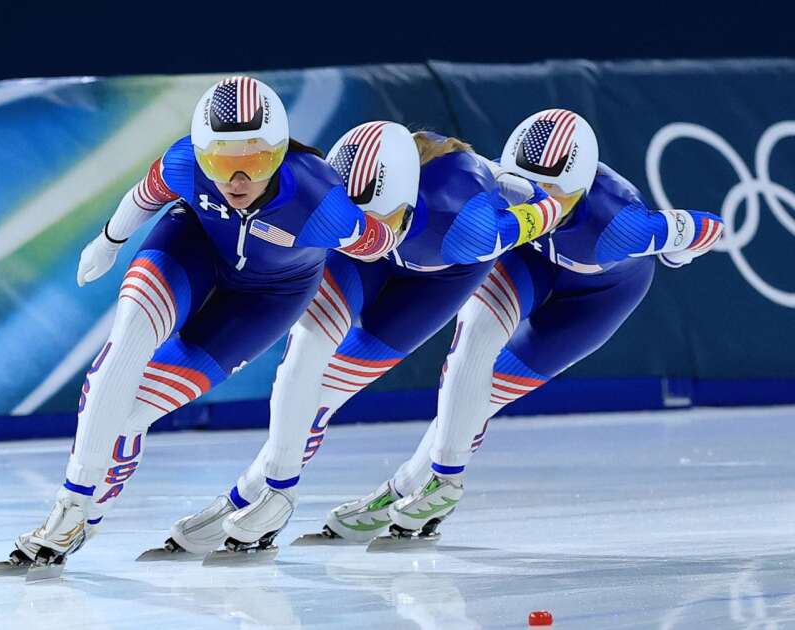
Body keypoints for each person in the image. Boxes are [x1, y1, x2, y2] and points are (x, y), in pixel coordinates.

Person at [0, 77, 413, 576]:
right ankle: (70, 508)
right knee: (120, 351)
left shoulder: (320, 202)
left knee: (130, 416)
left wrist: (406, 209)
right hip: (191, 251)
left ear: (276, 155)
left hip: (267, 299)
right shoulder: (183, 161)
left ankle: (91, 518)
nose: (234, 180)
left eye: (251, 162)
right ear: (201, 155)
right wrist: (108, 240)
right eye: (219, 162)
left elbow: (378, 242)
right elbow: (144, 196)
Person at [149, 121, 569, 558]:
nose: (373, 238)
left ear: (404, 204)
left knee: (332, 386)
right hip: (370, 259)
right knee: (305, 353)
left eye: (381, 222)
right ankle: (272, 492)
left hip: (437, 278)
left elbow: (547, 211)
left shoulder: (473, 226)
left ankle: (416, 482)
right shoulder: (343, 212)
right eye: (354, 224)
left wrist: (514, 185)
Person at [329, 109, 725, 543]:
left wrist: (676, 250)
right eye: (532, 190)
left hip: (598, 299)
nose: (544, 205)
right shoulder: (508, 186)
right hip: (526, 260)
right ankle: (435, 483)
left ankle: (414, 485)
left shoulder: (620, 225)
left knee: (488, 394)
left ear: (582, 187)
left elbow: (710, 228)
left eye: (556, 194)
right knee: (473, 343)